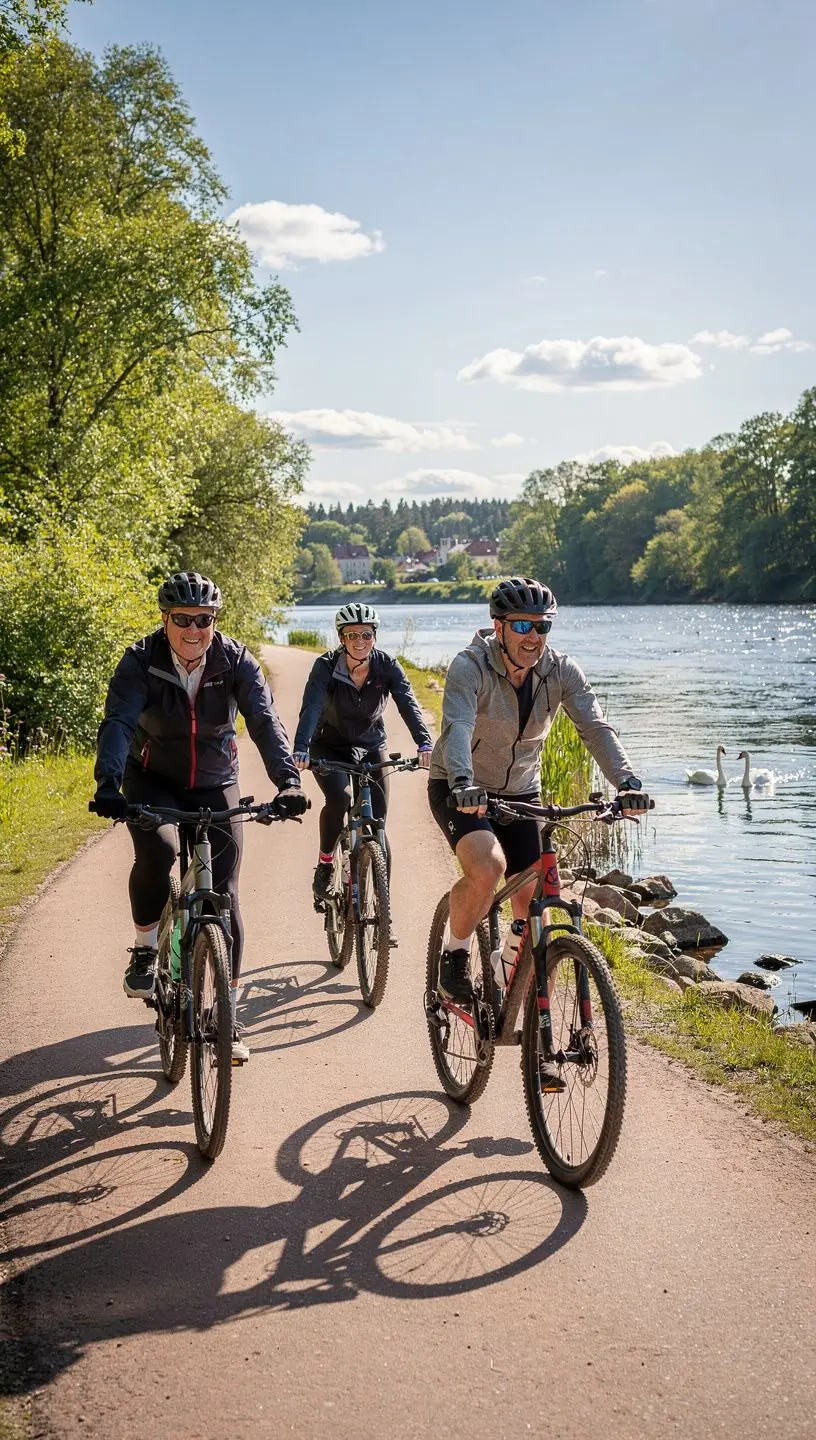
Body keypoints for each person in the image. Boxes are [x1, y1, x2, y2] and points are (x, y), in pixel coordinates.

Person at [428, 576, 650, 1073]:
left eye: (542, 627)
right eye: (523, 626)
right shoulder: (469, 667)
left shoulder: (561, 670)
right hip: (460, 786)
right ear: (499, 627)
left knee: (535, 908)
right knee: (488, 868)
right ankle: (455, 955)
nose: (533, 637)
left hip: (522, 791)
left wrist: (627, 781)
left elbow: (595, 727)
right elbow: (458, 727)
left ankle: (516, 1000)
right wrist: (463, 782)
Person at [92, 571, 306, 1062]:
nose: (194, 630)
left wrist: (288, 782)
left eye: (204, 620)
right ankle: (146, 947)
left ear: (214, 621)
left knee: (224, 893)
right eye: (183, 619)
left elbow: (264, 722)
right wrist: (107, 783)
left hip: (214, 779)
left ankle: (226, 1015)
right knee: (160, 851)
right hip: (152, 777)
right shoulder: (140, 661)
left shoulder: (235, 660)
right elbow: (119, 722)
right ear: (165, 619)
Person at [293, 603, 433, 909]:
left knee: (378, 824)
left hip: (370, 745)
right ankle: (326, 864)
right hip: (329, 746)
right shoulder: (326, 667)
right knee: (340, 798)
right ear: (342, 638)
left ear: (375, 636)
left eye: (366, 634)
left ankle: (383, 909)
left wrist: (425, 744)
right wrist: (301, 748)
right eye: (352, 635)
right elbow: (312, 707)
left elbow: (408, 704)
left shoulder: (387, 666)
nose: (360, 641)